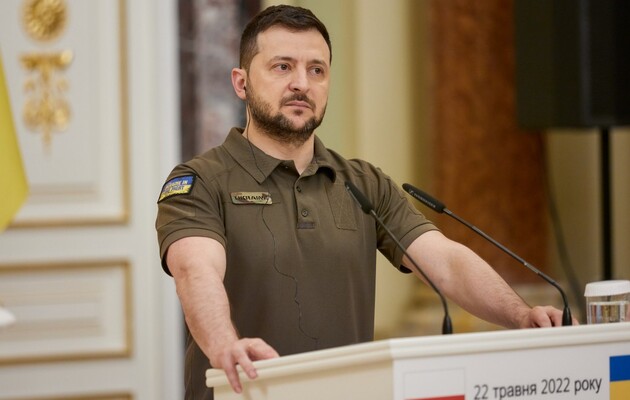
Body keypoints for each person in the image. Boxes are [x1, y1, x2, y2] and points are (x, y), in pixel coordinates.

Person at [156, 5, 574, 399]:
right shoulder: (200, 181)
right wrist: (224, 344)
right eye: (282, 67)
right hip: (243, 393)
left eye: (316, 70)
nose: (302, 83)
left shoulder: (363, 183)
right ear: (241, 82)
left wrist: (520, 316)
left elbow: (446, 264)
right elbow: (196, 270)